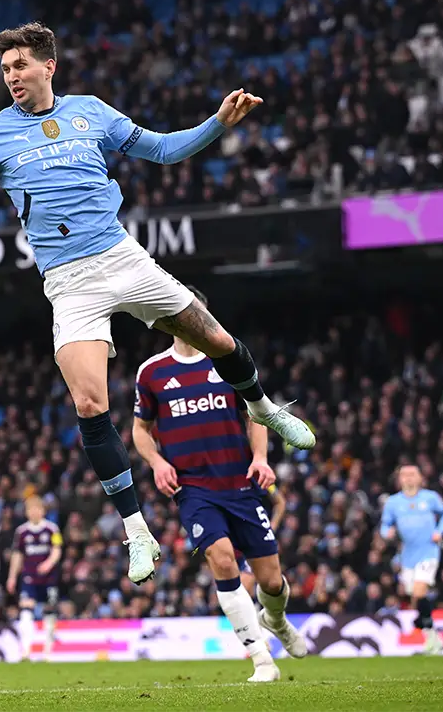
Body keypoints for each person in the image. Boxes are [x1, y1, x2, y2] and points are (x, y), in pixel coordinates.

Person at [0, 22, 315, 585]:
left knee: (218, 341)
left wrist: (217, 124)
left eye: (20, 66)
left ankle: (265, 409)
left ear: (49, 66)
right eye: (5, 70)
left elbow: (165, 151)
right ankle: (137, 532)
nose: (12, 77)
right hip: (69, 282)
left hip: (122, 257)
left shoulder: (91, 112)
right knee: (90, 402)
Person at [133, 286, 307, 683]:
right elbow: (140, 430)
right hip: (193, 489)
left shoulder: (229, 361)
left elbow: (257, 414)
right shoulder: (152, 372)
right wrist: (157, 462)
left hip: (240, 483)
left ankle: (276, 620)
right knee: (223, 559)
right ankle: (262, 659)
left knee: (271, 582)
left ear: (202, 315)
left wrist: (261, 458)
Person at [380, 464, 443, 656]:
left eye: (412, 474)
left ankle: (428, 632)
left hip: (428, 552)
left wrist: (439, 532)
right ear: (399, 479)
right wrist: (387, 533)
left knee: (419, 592)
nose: (409, 478)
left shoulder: (430, 498)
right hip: (407, 556)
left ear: (420, 478)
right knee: (415, 599)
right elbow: (384, 526)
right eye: (404, 475)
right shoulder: (393, 503)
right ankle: (433, 637)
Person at [6, 495, 63, 660]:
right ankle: (26, 650)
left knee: (49, 612)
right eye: (30, 509)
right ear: (26, 512)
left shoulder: (52, 529)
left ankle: (47, 651)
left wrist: (48, 563)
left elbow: (57, 549)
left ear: (43, 511)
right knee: (25, 611)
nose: (34, 512)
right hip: (29, 576)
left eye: (37, 509)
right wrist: (11, 577)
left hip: (49, 578)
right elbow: (17, 555)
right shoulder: (22, 532)